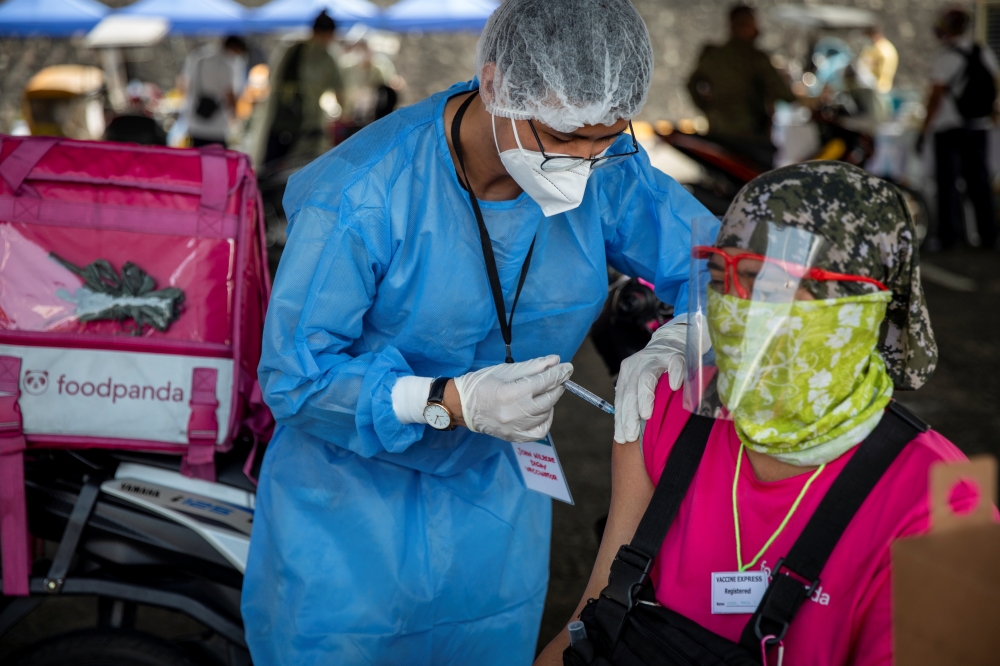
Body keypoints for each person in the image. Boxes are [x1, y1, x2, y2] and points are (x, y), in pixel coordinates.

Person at [240, 1, 714, 664]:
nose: (582, 165)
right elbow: (295, 377)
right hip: (347, 520)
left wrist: (686, 332)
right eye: (563, 138)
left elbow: (716, 261)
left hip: (495, 507)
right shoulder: (363, 192)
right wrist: (448, 400)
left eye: (603, 141)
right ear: (495, 85)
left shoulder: (608, 167)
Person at [537, 162, 967, 666]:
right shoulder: (667, 410)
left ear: (862, 304)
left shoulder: (939, 505)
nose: (737, 309)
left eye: (772, 286)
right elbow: (595, 613)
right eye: (722, 277)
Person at [919, 8, 999, 251]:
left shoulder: (945, 57)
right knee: (980, 183)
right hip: (979, 128)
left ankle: (949, 237)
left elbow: (935, 97)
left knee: (948, 184)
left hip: (949, 129)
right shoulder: (981, 51)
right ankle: (989, 236)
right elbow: (994, 83)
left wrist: (924, 129)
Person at [687, 3, 796, 170]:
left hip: (718, 133)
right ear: (745, 25)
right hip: (751, 138)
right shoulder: (756, 58)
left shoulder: (714, 55)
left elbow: (691, 84)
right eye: (754, 23)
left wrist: (707, 108)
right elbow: (784, 94)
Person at [258, 10, 346, 167]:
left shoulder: (289, 49)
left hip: (278, 120)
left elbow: (272, 82)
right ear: (329, 33)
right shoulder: (326, 56)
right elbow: (341, 92)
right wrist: (343, 116)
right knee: (298, 173)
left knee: (270, 170)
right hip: (306, 127)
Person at [180, 35, 247, 147]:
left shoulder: (198, 57)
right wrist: (236, 116)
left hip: (195, 122)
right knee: (216, 161)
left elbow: (185, 84)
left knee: (197, 159)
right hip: (217, 127)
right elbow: (229, 93)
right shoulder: (226, 64)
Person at [858, 25, 898, 94]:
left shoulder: (884, 50)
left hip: (879, 89)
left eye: (869, 36)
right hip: (871, 88)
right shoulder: (873, 48)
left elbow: (883, 73)